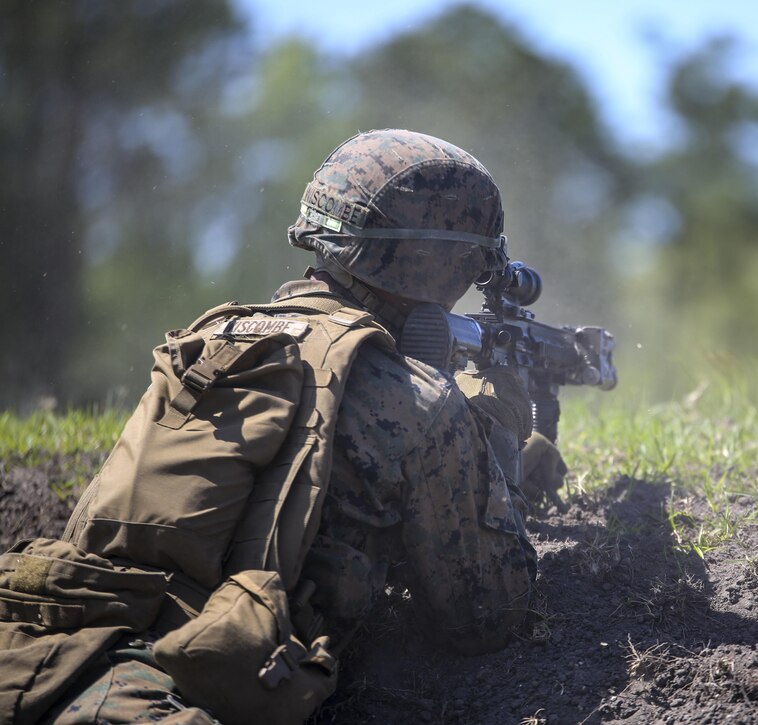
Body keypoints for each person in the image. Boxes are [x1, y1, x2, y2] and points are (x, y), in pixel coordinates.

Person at [33, 129, 565, 723]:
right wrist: (497, 432)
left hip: (70, 653)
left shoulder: (206, 342)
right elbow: (488, 616)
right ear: (441, 263)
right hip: (211, 687)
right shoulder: (417, 399)